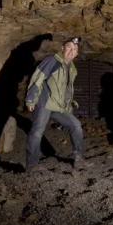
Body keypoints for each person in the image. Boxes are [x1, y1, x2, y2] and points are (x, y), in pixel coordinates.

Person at [24, 37, 86, 172]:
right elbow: (38, 77)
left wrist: (69, 105)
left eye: (74, 49)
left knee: (76, 125)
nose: (71, 51)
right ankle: (32, 164)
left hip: (59, 106)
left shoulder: (72, 68)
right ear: (62, 49)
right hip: (45, 103)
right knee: (37, 131)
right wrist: (31, 98)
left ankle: (79, 159)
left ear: (76, 53)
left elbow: (67, 89)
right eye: (69, 47)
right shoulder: (52, 60)